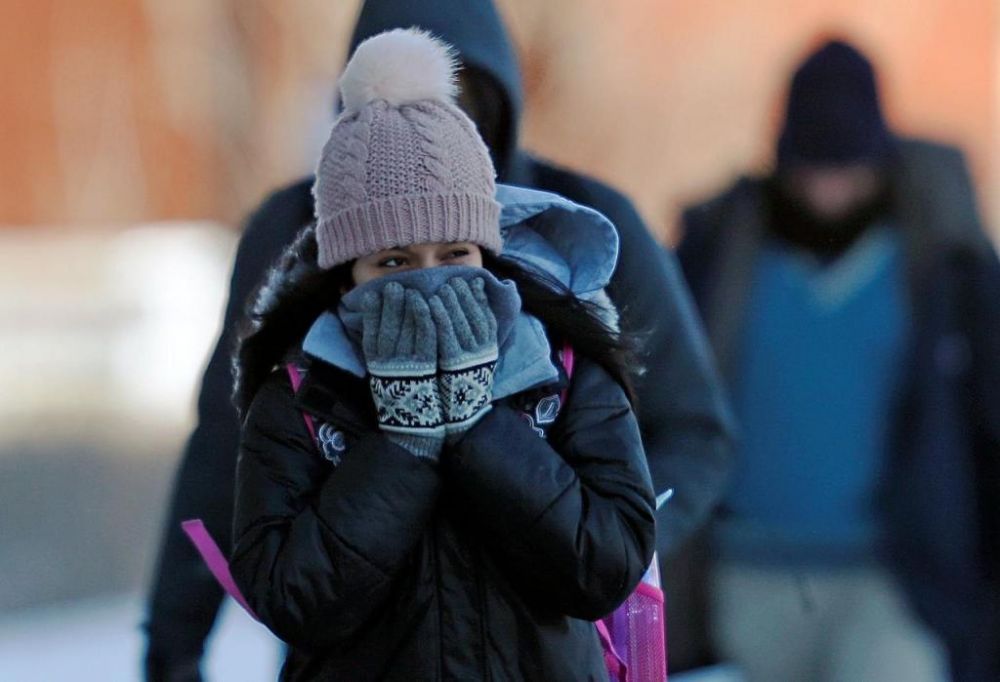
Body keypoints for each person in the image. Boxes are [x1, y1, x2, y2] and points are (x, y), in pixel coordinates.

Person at [144, 1, 734, 678]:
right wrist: (174, 640)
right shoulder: (295, 236)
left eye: (461, 101)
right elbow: (227, 449)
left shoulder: (583, 235)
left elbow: (691, 433)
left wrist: (594, 544)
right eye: (392, 261)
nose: (432, 126)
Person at [228, 28, 656, 680]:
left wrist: (481, 427)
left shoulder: (560, 371)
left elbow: (607, 567)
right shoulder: (301, 395)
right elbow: (292, 600)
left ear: (486, 252)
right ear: (348, 274)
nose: (429, 280)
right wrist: (406, 442)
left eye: (454, 254)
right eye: (395, 261)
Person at [677, 39, 1000, 681]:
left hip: (895, 583)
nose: (827, 190)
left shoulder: (945, 267)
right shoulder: (719, 255)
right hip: (744, 580)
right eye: (811, 167)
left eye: (845, 167)